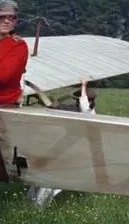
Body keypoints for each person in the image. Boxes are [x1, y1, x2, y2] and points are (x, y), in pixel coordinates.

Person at [29, 80, 97, 208]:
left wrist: (83, 85)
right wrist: (40, 96)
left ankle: (37, 207)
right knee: (42, 177)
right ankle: (32, 204)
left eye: (80, 98)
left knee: (53, 181)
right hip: (69, 153)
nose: (78, 101)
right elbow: (58, 106)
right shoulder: (75, 110)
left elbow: (84, 106)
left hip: (78, 157)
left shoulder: (90, 114)